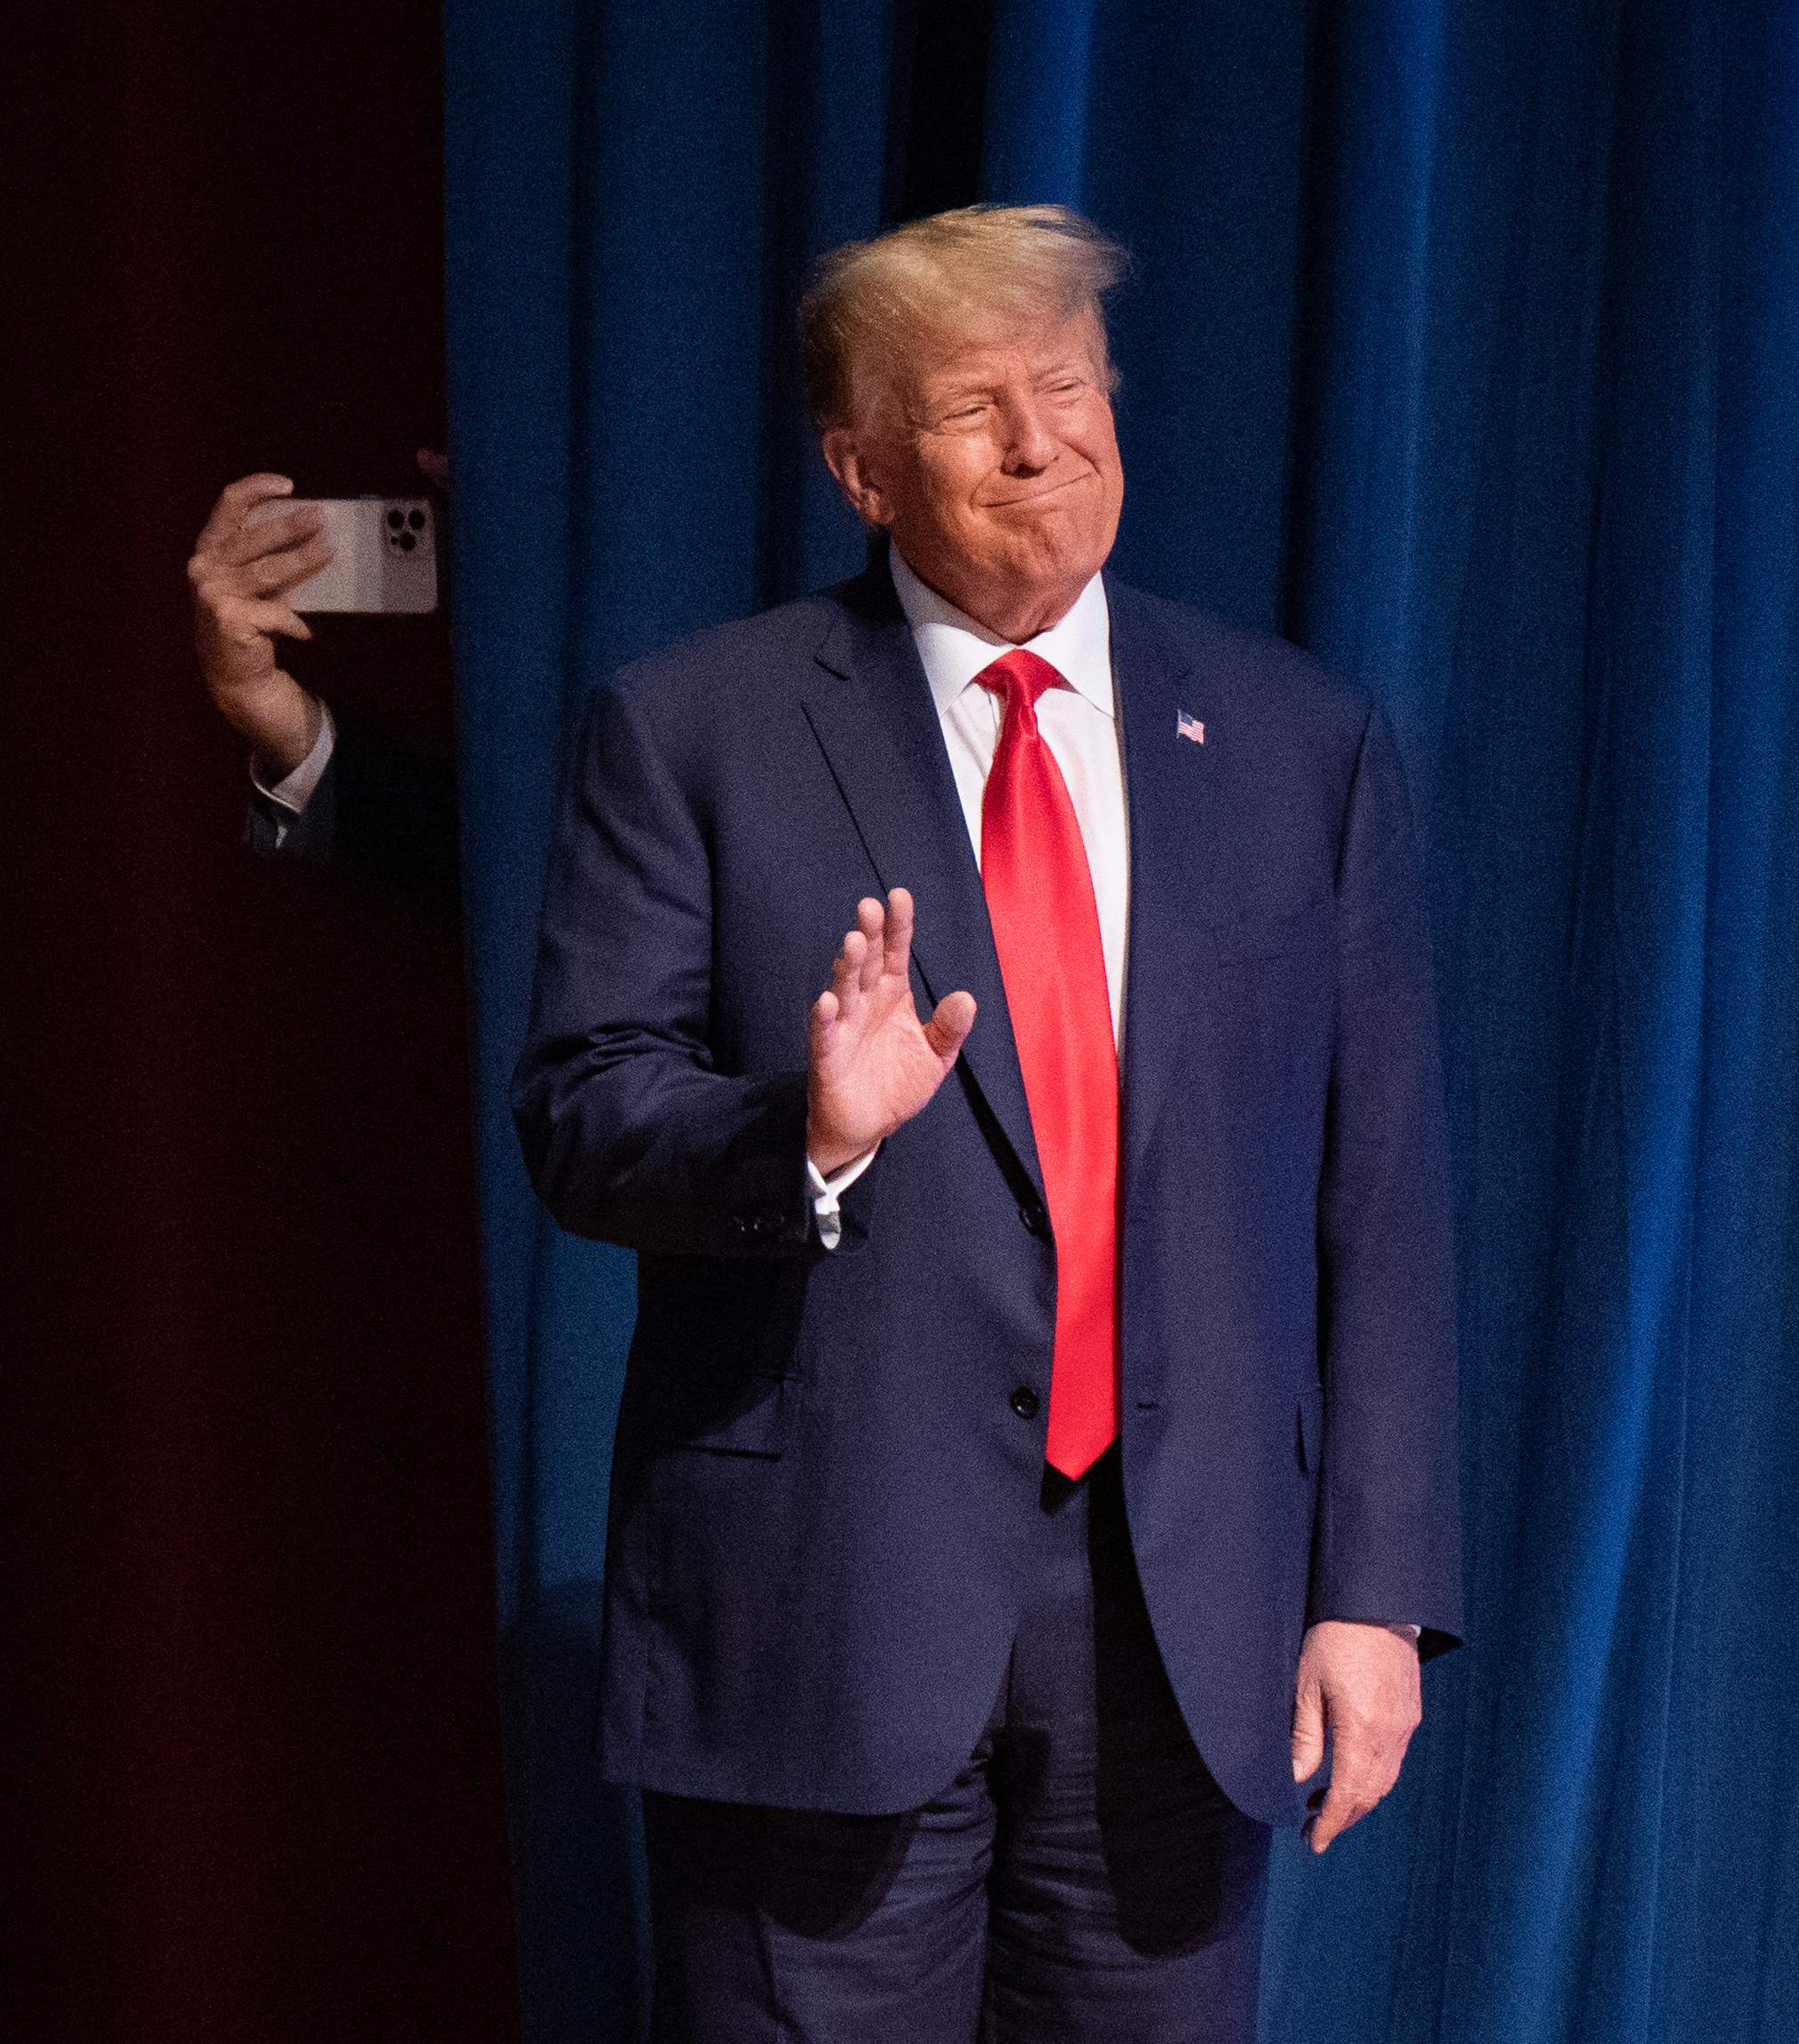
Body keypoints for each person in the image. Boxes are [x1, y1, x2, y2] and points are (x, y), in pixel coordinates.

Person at [186, 203, 1459, 2043]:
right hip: (823, 1612)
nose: (1042, 440)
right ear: (861, 469)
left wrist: (1380, 1593)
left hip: (1187, 1618)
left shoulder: (1292, 740)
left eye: (1071, 385)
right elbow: (581, 1113)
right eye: (972, 408)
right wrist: (810, 1138)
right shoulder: (692, 728)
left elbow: (1386, 1196)